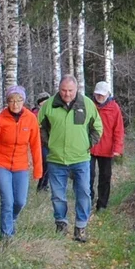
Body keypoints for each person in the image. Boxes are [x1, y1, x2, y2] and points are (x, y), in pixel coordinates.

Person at [40, 74, 103, 241]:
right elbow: (40, 127)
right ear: (58, 89)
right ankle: (61, 223)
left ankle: (81, 227)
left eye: (70, 90)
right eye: (63, 90)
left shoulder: (87, 104)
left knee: (83, 193)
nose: (67, 94)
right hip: (56, 159)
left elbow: (97, 127)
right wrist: (49, 143)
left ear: (76, 89)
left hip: (81, 158)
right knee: (58, 195)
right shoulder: (49, 105)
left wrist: (87, 144)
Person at [0, 85, 44, 241]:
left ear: (23, 101)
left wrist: (38, 170)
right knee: (8, 201)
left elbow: (36, 145)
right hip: (1, 164)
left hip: (21, 165)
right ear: (7, 102)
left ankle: (12, 219)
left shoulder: (30, 118)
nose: (15, 104)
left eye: (19, 100)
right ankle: (6, 235)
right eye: (11, 101)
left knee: (20, 201)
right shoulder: (0, 119)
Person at [90, 79, 126, 212]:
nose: (100, 97)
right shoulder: (89, 105)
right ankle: (88, 200)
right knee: (88, 175)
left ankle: (102, 204)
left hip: (107, 149)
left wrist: (117, 148)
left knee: (105, 177)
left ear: (108, 94)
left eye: (102, 95)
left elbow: (119, 130)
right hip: (89, 147)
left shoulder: (114, 108)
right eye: (98, 94)